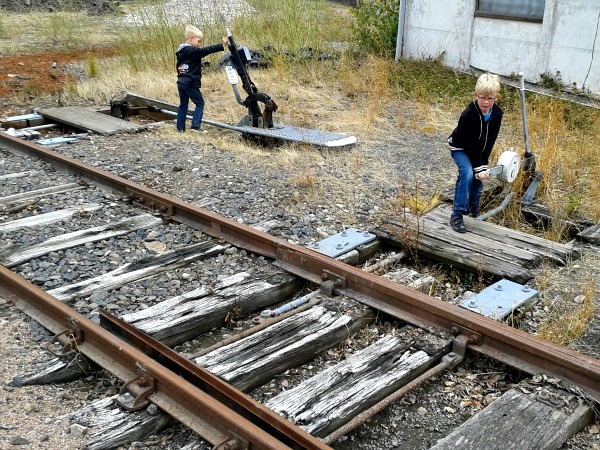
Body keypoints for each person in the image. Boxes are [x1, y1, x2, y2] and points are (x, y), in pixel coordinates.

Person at [447, 73, 503, 233]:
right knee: (467, 173)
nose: (486, 102)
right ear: (475, 95)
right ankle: (457, 214)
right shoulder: (468, 115)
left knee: (478, 180)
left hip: (477, 150)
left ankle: (473, 211)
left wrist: (482, 166)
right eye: (482, 97)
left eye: (490, 98)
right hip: (460, 147)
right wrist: (478, 167)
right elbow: (469, 143)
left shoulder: (497, 115)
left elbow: (489, 142)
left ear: (496, 97)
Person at [176, 25, 228, 133]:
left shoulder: (181, 51)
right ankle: (195, 127)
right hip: (190, 82)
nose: (199, 44)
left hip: (181, 81)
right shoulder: (191, 50)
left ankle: (180, 129)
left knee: (183, 105)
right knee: (200, 103)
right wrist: (221, 45)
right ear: (191, 38)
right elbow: (205, 51)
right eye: (198, 41)